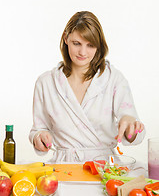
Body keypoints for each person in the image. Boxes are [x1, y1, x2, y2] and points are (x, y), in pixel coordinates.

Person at [29, 11, 145, 162]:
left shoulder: (114, 79)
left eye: (90, 45)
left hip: (105, 169)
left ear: (99, 46)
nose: (82, 52)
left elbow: (136, 133)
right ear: (66, 38)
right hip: (64, 168)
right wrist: (39, 137)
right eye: (77, 43)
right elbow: (38, 130)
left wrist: (131, 125)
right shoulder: (45, 83)